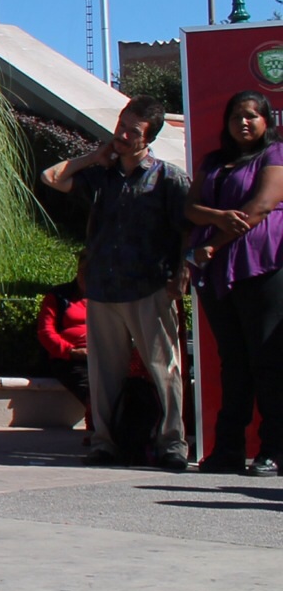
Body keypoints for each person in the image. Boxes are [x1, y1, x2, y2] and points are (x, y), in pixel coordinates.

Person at [42, 98, 190, 469]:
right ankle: (104, 442)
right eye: (121, 126)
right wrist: (94, 157)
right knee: (104, 373)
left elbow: (187, 229)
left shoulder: (168, 178)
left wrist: (181, 273)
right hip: (104, 289)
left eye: (133, 132)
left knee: (164, 369)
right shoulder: (102, 175)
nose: (122, 136)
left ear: (148, 138)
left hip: (149, 287)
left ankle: (172, 442)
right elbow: (52, 177)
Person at [185, 91, 283, 475]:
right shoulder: (213, 161)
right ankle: (227, 449)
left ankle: (273, 450)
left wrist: (211, 243)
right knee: (234, 363)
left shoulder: (274, 154)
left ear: (265, 122)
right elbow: (189, 207)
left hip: (261, 267)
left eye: (251, 116)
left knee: (268, 361)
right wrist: (216, 216)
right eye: (235, 117)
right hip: (216, 272)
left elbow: (260, 206)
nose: (243, 123)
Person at [36, 265, 89, 431]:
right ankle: (102, 439)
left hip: (105, 356)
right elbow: (46, 332)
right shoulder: (59, 296)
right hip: (70, 361)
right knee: (95, 395)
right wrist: (71, 352)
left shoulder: (108, 295)